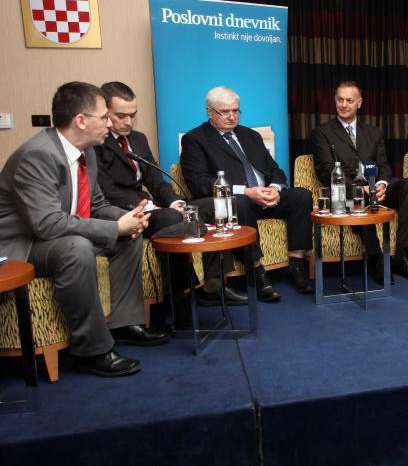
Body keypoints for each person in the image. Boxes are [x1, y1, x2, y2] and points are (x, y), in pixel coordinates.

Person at [0, 81, 168, 378]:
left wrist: (129, 218)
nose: (110, 124)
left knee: (128, 237)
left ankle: (124, 324)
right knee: (76, 248)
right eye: (104, 117)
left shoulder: (86, 152)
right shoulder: (37, 155)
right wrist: (114, 226)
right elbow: (47, 223)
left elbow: (98, 204)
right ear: (81, 120)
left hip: (62, 234)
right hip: (25, 245)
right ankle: (91, 350)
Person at [180, 86, 314, 302]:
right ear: (209, 111)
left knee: (302, 196)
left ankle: (296, 264)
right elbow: (199, 184)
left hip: (265, 198)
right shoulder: (195, 139)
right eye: (225, 112)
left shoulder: (250, 135)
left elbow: (274, 169)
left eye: (236, 111)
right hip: (237, 203)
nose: (231, 116)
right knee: (240, 202)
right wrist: (247, 192)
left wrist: (275, 189)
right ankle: (257, 272)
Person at [311, 80, 408, 284]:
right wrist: (360, 190)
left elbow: (384, 166)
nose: (344, 105)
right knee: (359, 198)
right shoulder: (322, 133)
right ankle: (376, 259)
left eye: (349, 100)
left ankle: (402, 255)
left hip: (374, 188)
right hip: (344, 192)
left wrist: (381, 185)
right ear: (335, 101)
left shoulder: (374, 132)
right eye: (340, 100)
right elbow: (326, 171)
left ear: (359, 103)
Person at [94, 81, 186, 237]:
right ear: (105, 113)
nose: (128, 122)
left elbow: (156, 182)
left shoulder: (139, 139)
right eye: (121, 116)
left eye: (132, 115)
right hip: (124, 211)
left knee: (201, 208)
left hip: (149, 206)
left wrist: (176, 203)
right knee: (172, 217)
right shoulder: (96, 143)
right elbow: (108, 192)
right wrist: (149, 207)